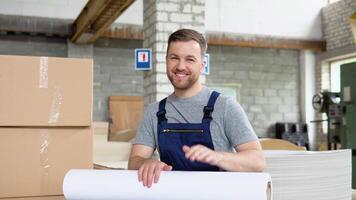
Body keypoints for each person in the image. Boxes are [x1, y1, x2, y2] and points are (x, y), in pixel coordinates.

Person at [128, 28, 265, 188]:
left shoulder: (225, 106)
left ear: (202, 64)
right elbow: (134, 161)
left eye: (190, 59)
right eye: (174, 58)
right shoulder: (155, 112)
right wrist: (146, 162)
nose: (180, 66)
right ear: (166, 60)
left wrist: (217, 157)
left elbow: (257, 160)